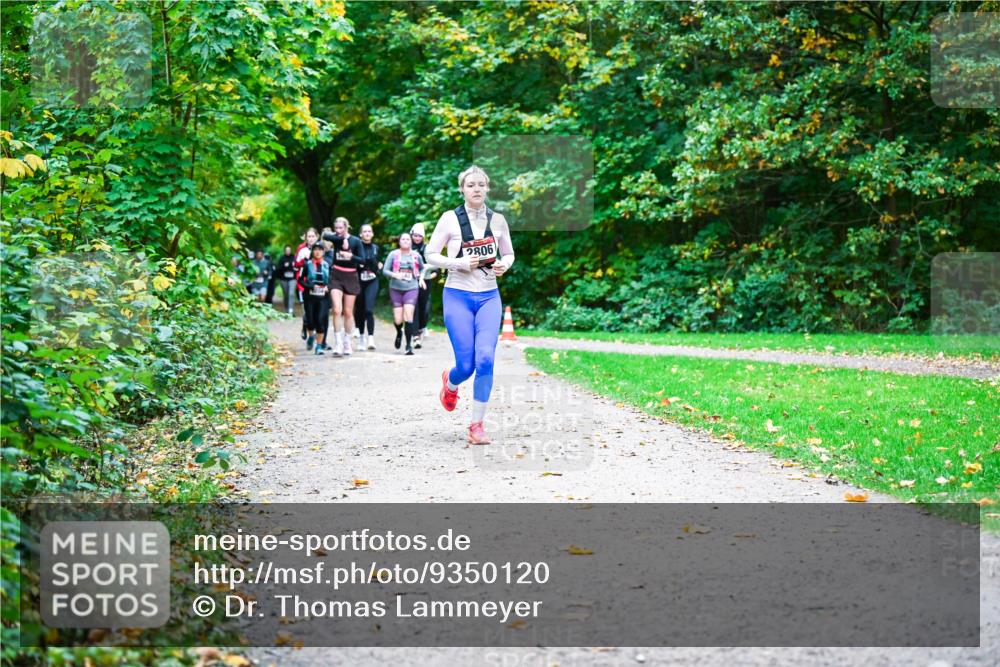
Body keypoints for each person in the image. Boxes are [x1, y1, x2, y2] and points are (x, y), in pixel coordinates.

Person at [425, 165, 515, 445]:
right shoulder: (449, 219)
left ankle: (477, 426)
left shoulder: (498, 220)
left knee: (485, 359)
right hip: (457, 295)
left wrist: (504, 265)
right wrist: (459, 263)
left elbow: (509, 253)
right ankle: (450, 383)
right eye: (470, 185)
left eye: (481, 184)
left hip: (489, 296)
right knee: (466, 366)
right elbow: (430, 254)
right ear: (462, 189)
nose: (476, 189)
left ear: (487, 188)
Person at [322, 217, 363, 356]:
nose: (338, 230)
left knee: (348, 312)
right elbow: (325, 235)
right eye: (336, 228)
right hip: (336, 276)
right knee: (336, 310)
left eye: (341, 228)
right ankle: (338, 343)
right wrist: (341, 239)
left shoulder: (356, 241)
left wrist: (350, 256)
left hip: (351, 276)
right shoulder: (336, 239)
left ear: (346, 227)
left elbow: (362, 260)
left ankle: (347, 342)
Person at [382, 232, 426, 356]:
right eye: (403, 239)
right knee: (398, 319)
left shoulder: (416, 256)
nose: (406, 241)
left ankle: (408, 346)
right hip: (395, 288)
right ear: (399, 241)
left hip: (411, 288)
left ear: (411, 241)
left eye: (408, 239)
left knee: (408, 316)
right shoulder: (393, 254)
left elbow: (422, 268)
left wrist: (421, 279)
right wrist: (395, 275)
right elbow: (385, 270)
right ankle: (399, 332)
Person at [409, 223, 438, 349]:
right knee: (414, 306)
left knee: (424, 308)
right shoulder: (407, 247)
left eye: (419, 236)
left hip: (426, 281)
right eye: (415, 235)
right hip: (411, 281)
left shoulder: (427, 248)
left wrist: (433, 275)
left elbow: (436, 266)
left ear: (423, 237)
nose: (417, 238)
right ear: (411, 235)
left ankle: (422, 327)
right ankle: (415, 334)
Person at [354, 223, 382, 351]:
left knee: (369, 309)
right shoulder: (356, 247)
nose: (367, 233)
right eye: (364, 231)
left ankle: (371, 338)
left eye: (369, 231)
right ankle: (361, 337)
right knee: (359, 310)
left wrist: (379, 265)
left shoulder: (375, 248)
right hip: (359, 281)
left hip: (372, 280)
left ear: (372, 234)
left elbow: (378, 263)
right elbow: (353, 262)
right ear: (360, 234)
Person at [302, 243, 331, 355]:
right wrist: (310, 286)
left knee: (320, 320)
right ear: (312, 252)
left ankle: (318, 347)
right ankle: (310, 337)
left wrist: (329, 287)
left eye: (320, 250)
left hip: (323, 297)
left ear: (323, 252)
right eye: (315, 250)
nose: (317, 252)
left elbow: (334, 280)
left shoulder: (328, 265)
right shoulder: (307, 264)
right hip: (309, 297)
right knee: (310, 321)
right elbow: (300, 280)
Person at [294, 228, 319, 342]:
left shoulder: (321, 248)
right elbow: (295, 265)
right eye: (309, 236)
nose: (311, 239)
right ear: (306, 238)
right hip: (304, 284)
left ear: (317, 237)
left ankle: (319, 336)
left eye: (313, 236)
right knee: (306, 310)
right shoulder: (301, 249)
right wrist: (303, 262)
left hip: (318, 283)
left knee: (317, 310)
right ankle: (306, 326)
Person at [276, 245, 297, 315]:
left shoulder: (294, 258)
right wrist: (284, 266)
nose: (288, 251)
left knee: (291, 294)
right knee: (286, 294)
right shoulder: (282, 258)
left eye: (289, 250)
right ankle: (286, 309)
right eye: (286, 250)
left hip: (292, 279)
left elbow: (297, 267)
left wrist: (293, 267)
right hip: (283, 279)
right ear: (284, 251)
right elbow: (278, 269)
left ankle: (291, 310)